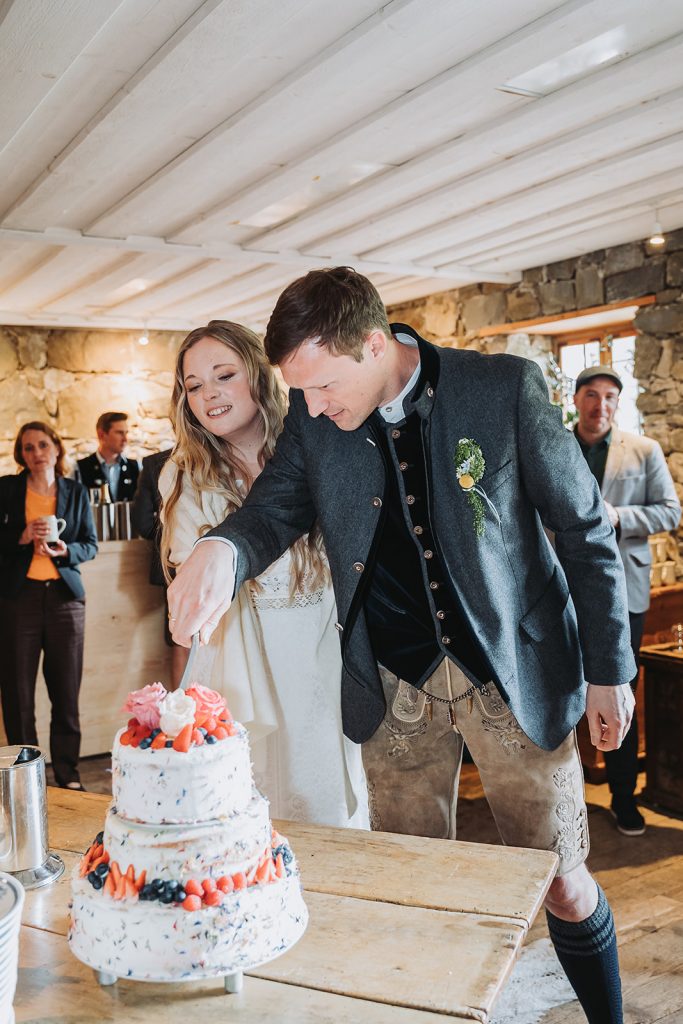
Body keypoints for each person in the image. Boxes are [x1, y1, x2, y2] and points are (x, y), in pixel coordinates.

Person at [167, 268, 638, 1024]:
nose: (313, 409)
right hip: (395, 692)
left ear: (375, 343)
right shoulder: (315, 425)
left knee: (560, 878)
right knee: (420, 882)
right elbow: (267, 513)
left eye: (322, 387)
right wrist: (219, 551)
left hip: (514, 672)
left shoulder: (503, 388)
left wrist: (609, 671)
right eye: (303, 394)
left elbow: (585, 536)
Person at [159, 320, 368, 828]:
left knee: (336, 809)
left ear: (257, 374)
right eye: (194, 386)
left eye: (224, 375)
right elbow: (192, 608)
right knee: (259, 816)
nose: (209, 394)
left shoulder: (317, 447)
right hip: (246, 668)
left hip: (328, 653)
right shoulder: (185, 476)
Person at [573, 365, 681, 836]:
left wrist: (620, 516)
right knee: (560, 694)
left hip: (624, 595)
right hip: (557, 592)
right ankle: (566, 798)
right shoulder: (552, 445)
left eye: (611, 397)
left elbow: (671, 511)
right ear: (576, 399)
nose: (601, 405)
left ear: (619, 403)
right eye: (592, 395)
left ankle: (622, 798)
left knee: (618, 692)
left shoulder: (644, 451)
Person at [0, 421, 97, 789]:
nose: (36, 453)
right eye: (28, 448)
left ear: (56, 449)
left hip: (64, 600)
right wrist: (22, 535)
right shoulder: (7, 489)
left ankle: (68, 775)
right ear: (20, 454)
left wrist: (66, 549)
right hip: (17, 600)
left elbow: (89, 543)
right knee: (18, 694)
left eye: (42, 445)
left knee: (66, 693)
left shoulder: (74, 491)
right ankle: (25, 777)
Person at [131, 449, 190, 689]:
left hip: (175, 565)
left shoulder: (156, 462)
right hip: (226, 561)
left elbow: (143, 523)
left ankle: (183, 714)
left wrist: (175, 539)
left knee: (181, 640)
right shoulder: (223, 449)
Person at [77, 412, 140, 501]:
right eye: (119, 433)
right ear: (101, 435)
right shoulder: (81, 468)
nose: (125, 439)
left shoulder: (135, 467)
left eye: (126, 433)